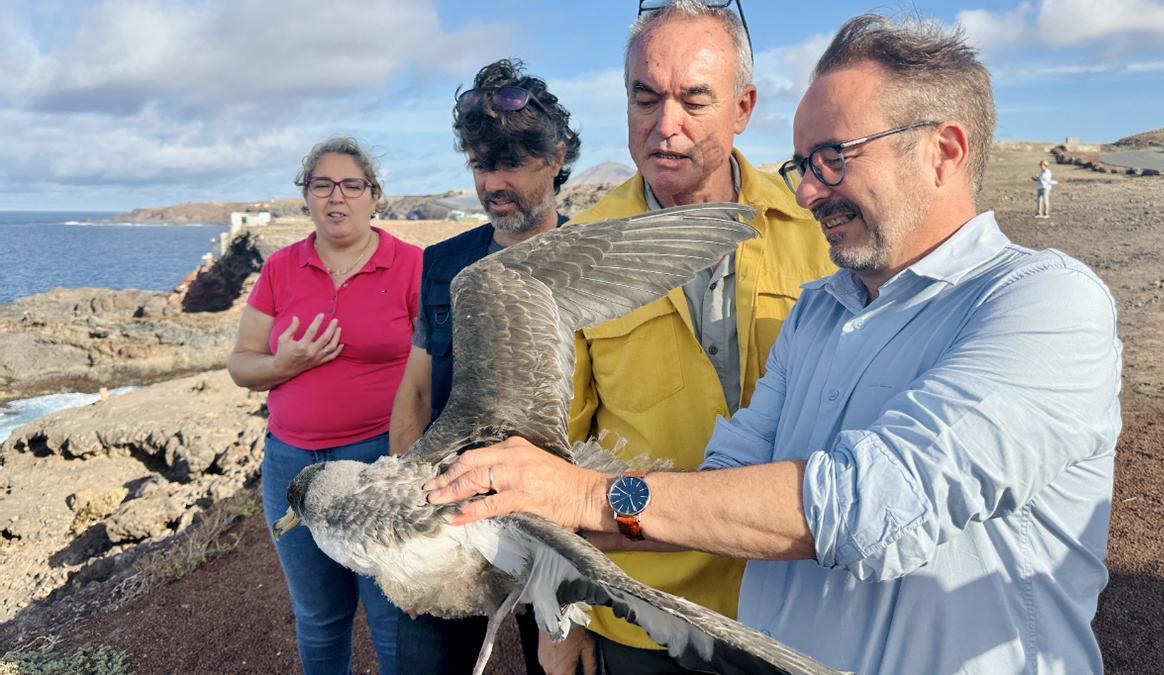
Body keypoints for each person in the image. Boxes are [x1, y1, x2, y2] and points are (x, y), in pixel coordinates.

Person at [426, 13, 1123, 675]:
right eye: (803, 164)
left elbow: (869, 501)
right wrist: (526, 527)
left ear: (941, 152)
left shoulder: (1043, 302)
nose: (812, 192)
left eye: (833, 158)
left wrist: (587, 495)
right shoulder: (820, 312)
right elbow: (711, 479)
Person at [536, 1, 833, 672]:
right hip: (644, 618)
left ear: (743, 106)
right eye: (645, 98)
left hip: (792, 606)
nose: (665, 126)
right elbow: (553, 452)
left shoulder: (810, 230)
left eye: (694, 100)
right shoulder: (578, 253)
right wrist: (561, 615)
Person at [387, 58, 580, 674]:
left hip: (554, 525)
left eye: (512, 164)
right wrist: (407, 533)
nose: (493, 183)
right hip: (450, 519)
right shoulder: (442, 262)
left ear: (557, 156)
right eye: (479, 165)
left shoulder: (593, 257)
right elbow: (416, 394)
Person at [227, 137, 421, 674]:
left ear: (373, 195)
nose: (337, 198)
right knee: (319, 615)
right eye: (322, 185)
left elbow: (437, 370)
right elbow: (241, 363)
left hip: (376, 464)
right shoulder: (280, 269)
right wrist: (282, 365)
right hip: (290, 464)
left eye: (351, 185)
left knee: (390, 609)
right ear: (307, 197)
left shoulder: (410, 267)